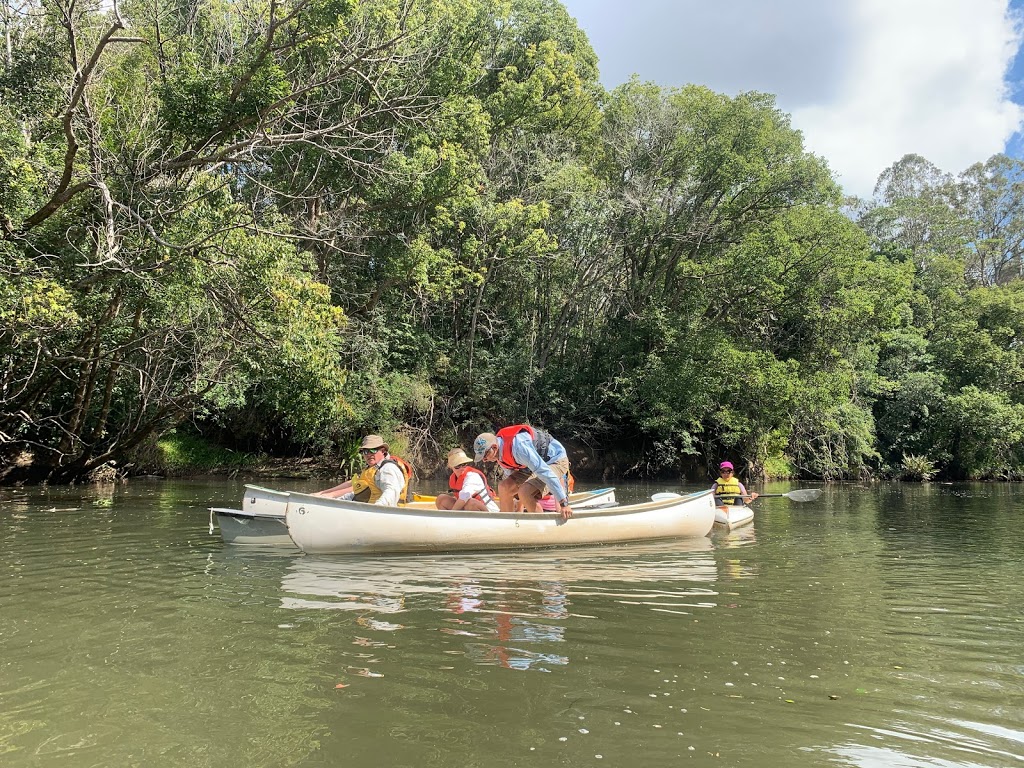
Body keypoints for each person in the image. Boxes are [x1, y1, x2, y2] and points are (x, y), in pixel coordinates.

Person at [473, 425, 573, 520]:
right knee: (503, 487)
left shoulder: (519, 448)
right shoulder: (498, 455)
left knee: (525, 492)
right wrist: (518, 507)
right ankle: (508, 524)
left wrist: (563, 503)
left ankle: (540, 527)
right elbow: (513, 485)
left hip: (554, 460)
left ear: (494, 448)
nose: (485, 460)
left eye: (485, 455)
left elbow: (544, 472)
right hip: (530, 466)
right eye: (483, 458)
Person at [316, 435, 412, 506]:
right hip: (368, 510)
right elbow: (356, 493)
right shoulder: (371, 469)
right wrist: (333, 500)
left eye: (373, 450)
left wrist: (376, 508)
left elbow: (391, 492)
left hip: (383, 513)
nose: (368, 454)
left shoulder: (388, 468)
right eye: (365, 451)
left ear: (382, 451)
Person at [435, 447, 499, 513]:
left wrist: (452, 513)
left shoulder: (472, 476)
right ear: (450, 466)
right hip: (466, 509)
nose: (462, 468)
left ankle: (453, 519)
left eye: (464, 464)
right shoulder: (453, 478)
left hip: (489, 512)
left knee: (470, 503)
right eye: (458, 465)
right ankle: (451, 521)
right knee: (441, 499)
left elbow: (464, 496)